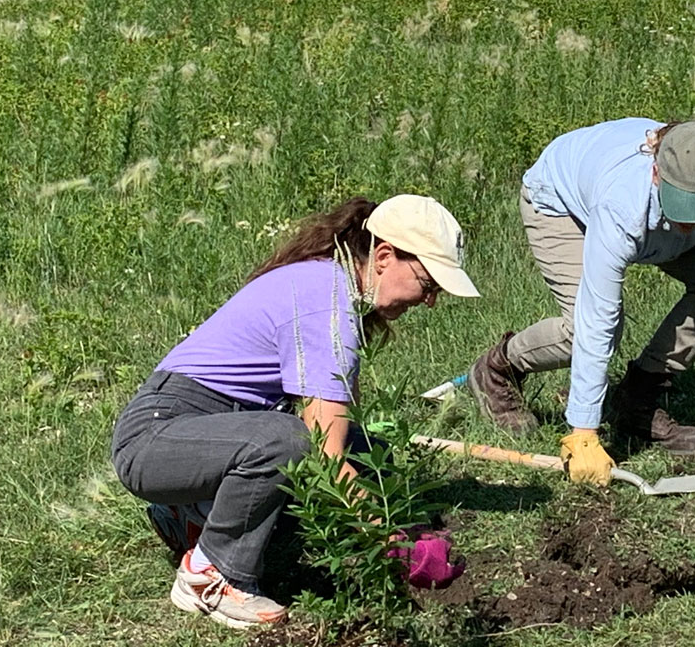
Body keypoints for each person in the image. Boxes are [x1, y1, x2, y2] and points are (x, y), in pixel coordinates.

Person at [111, 194, 478, 629]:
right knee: (291, 442)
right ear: (384, 256)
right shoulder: (327, 301)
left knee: (370, 453)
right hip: (157, 436)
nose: (429, 300)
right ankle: (211, 577)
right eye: (428, 283)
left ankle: (191, 514)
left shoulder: (331, 286)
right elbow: (326, 455)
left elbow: (342, 434)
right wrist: (392, 541)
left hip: (206, 430)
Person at [466, 118, 695, 485]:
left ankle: (637, 398)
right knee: (583, 330)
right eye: (682, 204)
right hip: (563, 204)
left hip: (647, 223)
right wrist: (583, 432)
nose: (689, 221)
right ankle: (498, 368)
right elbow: (596, 317)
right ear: (656, 173)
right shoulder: (623, 204)